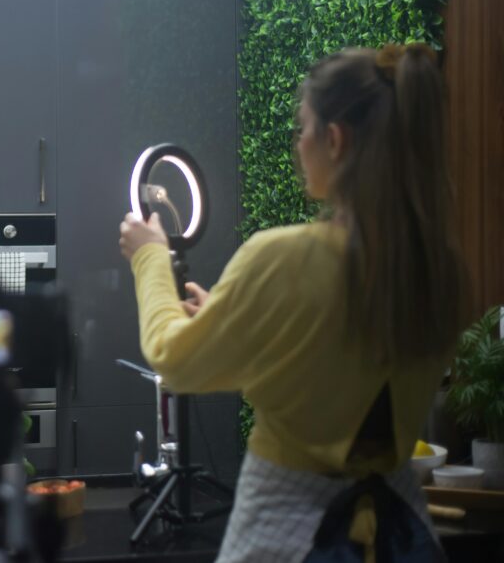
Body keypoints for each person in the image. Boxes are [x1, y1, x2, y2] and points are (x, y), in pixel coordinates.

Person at [119, 44, 470, 562]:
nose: (296, 145)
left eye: (301, 130)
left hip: (287, 534)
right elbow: (333, 371)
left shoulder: (283, 259)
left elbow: (174, 361)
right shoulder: (441, 269)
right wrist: (247, 322)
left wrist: (150, 258)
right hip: (403, 534)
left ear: (334, 139)